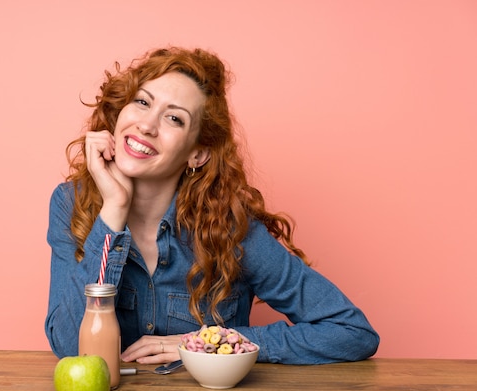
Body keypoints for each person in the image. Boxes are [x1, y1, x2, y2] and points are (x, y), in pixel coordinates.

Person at [45, 46, 379, 365]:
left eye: (174, 119)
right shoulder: (71, 204)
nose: (147, 125)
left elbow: (351, 332)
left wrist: (208, 343)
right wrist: (114, 211)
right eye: (142, 102)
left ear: (197, 153)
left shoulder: (228, 226)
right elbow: (70, 346)